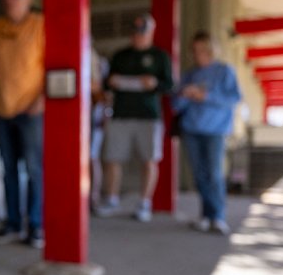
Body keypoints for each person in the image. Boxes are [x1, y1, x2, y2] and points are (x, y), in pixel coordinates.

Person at [0, 0, 45, 249]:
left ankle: (36, 225)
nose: (9, 0)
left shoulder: (40, 25)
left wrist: (42, 99)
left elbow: (51, 66)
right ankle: (12, 223)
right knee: (8, 170)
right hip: (3, 108)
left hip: (31, 110)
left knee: (34, 169)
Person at [97, 13, 173, 222]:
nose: (137, 37)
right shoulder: (120, 55)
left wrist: (154, 84)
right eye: (134, 33)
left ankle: (144, 203)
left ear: (150, 33)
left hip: (148, 115)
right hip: (120, 114)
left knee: (148, 160)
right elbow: (105, 84)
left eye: (142, 33)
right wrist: (111, 82)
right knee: (112, 158)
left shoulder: (160, 56)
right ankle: (111, 199)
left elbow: (169, 86)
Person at [173, 31, 241, 235]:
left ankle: (217, 216)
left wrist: (206, 96)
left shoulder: (224, 71)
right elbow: (176, 105)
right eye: (194, 51)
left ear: (211, 50)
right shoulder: (189, 74)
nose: (198, 54)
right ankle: (206, 215)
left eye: (202, 50)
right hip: (192, 129)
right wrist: (186, 94)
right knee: (199, 174)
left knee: (214, 173)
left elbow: (234, 99)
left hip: (216, 130)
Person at [90, 48, 110, 211]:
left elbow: (97, 87)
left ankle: (94, 198)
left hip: (93, 118)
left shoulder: (96, 58)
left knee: (92, 158)